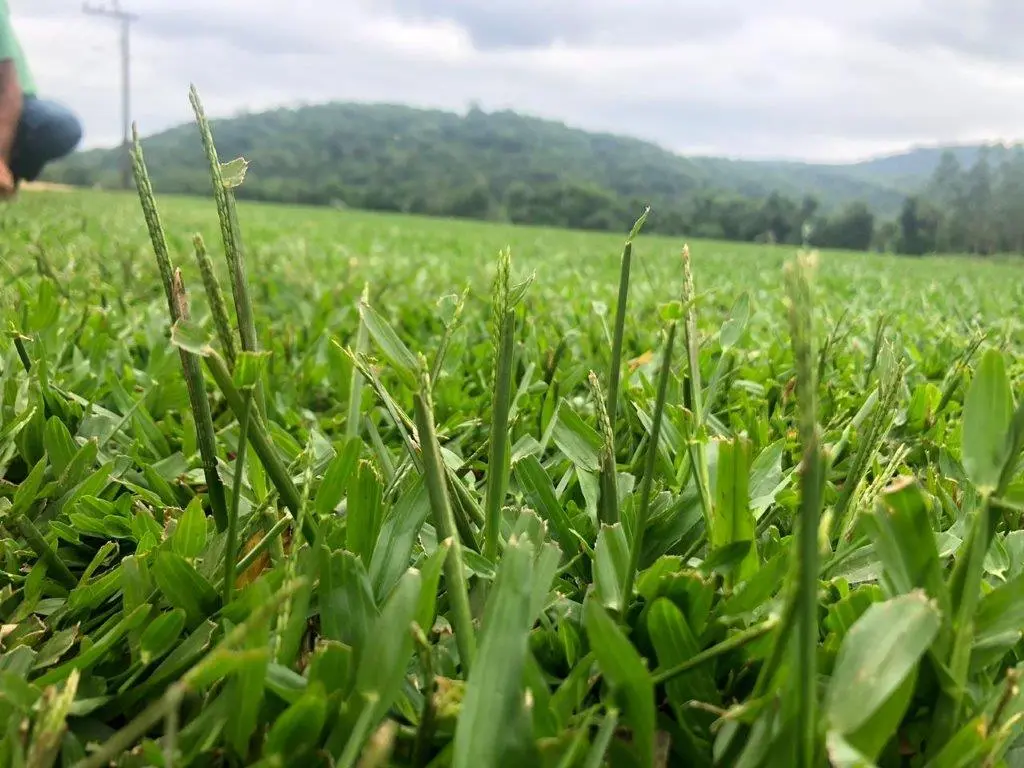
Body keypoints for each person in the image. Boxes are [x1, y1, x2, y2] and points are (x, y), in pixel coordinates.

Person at [0, 0, 82, 198]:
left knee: (59, 126)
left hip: (14, 104)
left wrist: (1, 157)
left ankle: (10, 176)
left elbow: (9, 88)